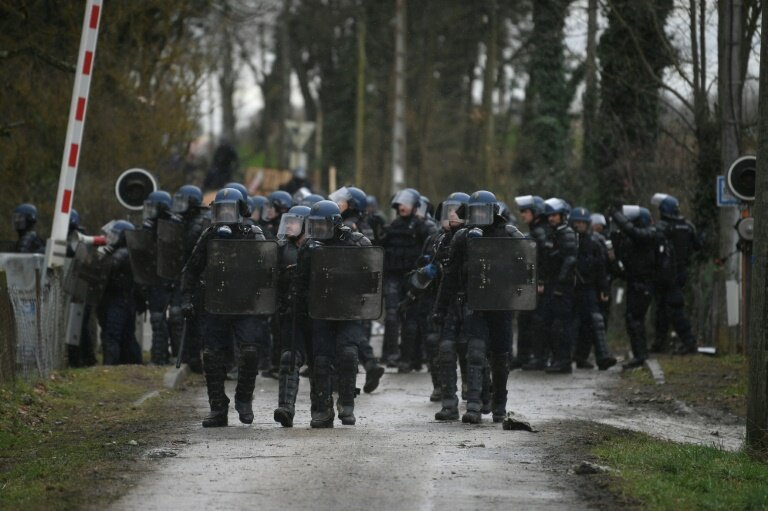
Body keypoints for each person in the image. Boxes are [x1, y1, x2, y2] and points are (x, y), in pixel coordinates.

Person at [181, 188, 271, 427]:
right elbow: (191, 269)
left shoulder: (253, 234)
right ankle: (217, 408)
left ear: (241, 210)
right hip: (216, 302)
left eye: (230, 209)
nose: (225, 214)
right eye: (220, 210)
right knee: (212, 356)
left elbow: (267, 270)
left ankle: (244, 398)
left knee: (250, 351)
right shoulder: (210, 235)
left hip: (246, 305)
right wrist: (187, 299)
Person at [435, 191, 525, 423]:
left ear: (493, 211)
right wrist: (440, 309)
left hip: (501, 306)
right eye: (474, 212)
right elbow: (451, 277)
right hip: (473, 304)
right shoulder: (462, 237)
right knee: (475, 351)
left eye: (483, 211)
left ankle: (499, 405)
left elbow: (526, 265)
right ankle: (473, 406)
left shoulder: (509, 234)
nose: (478, 216)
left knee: (500, 357)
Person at [294, 200, 373, 427]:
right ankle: (322, 409)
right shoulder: (309, 248)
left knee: (348, 354)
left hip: (348, 310)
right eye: (314, 225)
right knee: (320, 359)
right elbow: (301, 283)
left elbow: (372, 278)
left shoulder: (357, 243)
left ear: (336, 224)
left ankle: (346, 404)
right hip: (321, 310)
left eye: (322, 225)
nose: (318, 230)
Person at [329, 186, 384, 392]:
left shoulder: (350, 227)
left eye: (342, 200)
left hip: (346, 285)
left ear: (351, 205)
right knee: (351, 332)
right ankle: (370, 364)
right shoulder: (363, 224)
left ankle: (348, 378)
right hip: (353, 286)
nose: (337, 202)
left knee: (345, 333)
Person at [380, 188, 435, 367]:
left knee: (411, 318)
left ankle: (407, 358)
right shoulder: (391, 228)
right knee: (391, 316)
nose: (403, 207)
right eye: (401, 203)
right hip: (393, 277)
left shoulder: (423, 228)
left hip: (412, 278)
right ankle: (391, 355)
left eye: (407, 203)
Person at [273, 205, 312, 427]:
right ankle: (286, 408)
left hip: (317, 317)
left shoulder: (319, 249)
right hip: (291, 313)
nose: (288, 225)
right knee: (289, 358)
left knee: (321, 362)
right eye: (286, 221)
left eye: (293, 222)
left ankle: (322, 411)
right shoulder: (280, 249)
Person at [611, 204, 661, 370]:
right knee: (631, 319)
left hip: (644, 282)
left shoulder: (649, 234)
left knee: (635, 319)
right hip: (634, 281)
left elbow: (635, 233)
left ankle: (641, 355)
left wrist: (618, 216)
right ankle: (639, 354)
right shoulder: (632, 239)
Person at [651, 194, 700, 355]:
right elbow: (698, 245)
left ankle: (688, 342)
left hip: (665, 274)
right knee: (663, 310)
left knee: (673, 308)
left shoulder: (663, 227)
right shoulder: (688, 226)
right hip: (681, 272)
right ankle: (659, 343)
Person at [569, 207, 617, 370]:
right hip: (571, 288)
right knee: (571, 324)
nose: (580, 225)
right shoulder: (568, 240)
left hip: (589, 288)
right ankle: (567, 356)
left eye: (583, 223)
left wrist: (604, 289)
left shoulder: (594, 243)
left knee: (596, 321)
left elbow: (601, 268)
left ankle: (601, 356)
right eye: (577, 222)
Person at [168, 185, 207, 372]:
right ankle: (185, 356)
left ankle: (193, 359)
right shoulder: (186, 221)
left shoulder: (198, 224)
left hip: (197, 280)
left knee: (194, 320)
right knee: (180, 317)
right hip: (186, 277)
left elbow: (189, 252)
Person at [538, 198, 578, 374]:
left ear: (562, 216)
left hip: (562, 287)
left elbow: (569, 260)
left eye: (554, 215)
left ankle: (563, 360)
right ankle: (557, 359)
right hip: (553, 284)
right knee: (552, 324)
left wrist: (561, 284)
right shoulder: (554, 233)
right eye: (550, 216)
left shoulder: (566, 233)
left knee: (561, 325)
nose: (551, 218)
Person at [97, 220, 142, 365]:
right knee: (126, 336)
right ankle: (132, 363)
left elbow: (107, 269)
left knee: (112, 335)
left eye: (115, 236)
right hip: (123, 301)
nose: (110, 238)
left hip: (118, 301)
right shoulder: (128, 252)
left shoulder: (121, 254)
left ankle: (110, 366)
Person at [514, 195, 550, 370]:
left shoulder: (541, 232)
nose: (522, 215)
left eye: (525, 211)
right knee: (526, 319)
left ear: (536, 212)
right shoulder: (535, 230)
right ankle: (524, 357)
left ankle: (539, 358)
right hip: (531, 282)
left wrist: (540, 280)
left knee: (538, 321)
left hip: (538, 284)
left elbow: (542, 259)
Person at [140, 190, 174, 365]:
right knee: (157, 320)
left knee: (160, 320)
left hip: (166, 281)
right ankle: (158, 355)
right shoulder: (148, 226)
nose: (149, 210)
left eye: (153, 207)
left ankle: (161, 356)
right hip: (153, 280)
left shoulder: (171, 227)